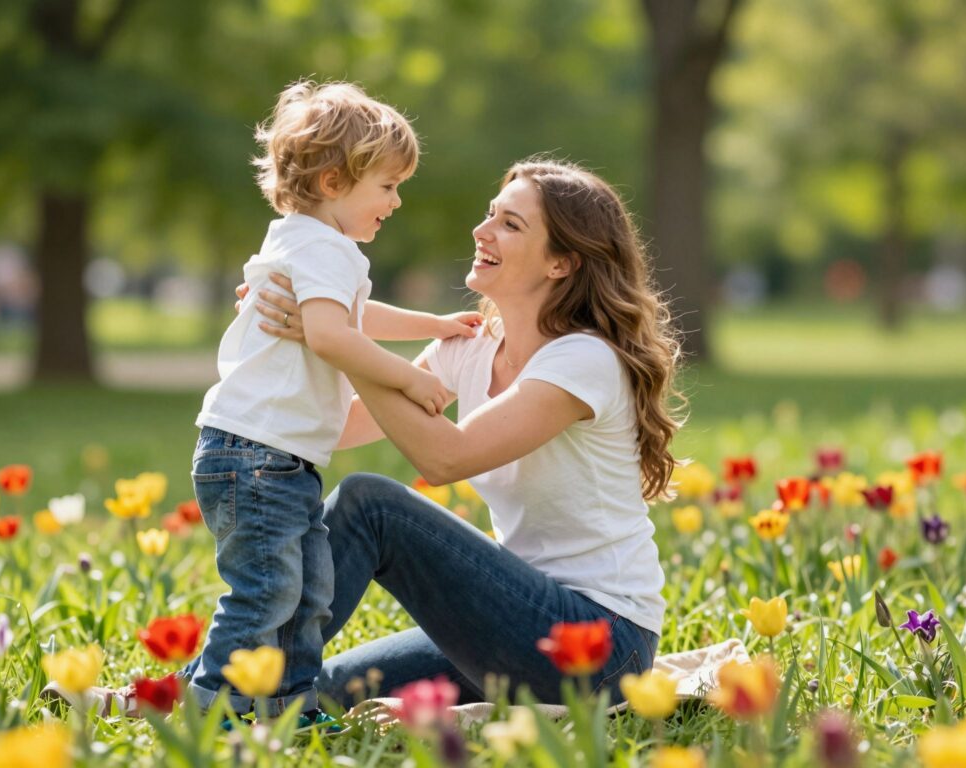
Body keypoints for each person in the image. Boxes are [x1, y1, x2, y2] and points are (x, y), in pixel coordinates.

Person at [251, 157, 682, 706]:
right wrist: (292, 332)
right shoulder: (471, 347)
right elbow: (339, 427)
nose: (482, 231)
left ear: (561, 263)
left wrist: (336, 340)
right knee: (326, 690)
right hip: (513, 621)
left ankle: (214, 692)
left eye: (511, 224)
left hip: (600, 646)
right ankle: (191, 693)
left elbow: (446, 459)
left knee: (372, 505)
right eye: (490, 214)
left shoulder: (584, 360)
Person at [185, 80, 481, 726]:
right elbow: (329, 334)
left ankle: (287, 706)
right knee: (266, 593)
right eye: (387, 185)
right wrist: (411, 380)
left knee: (308, 591)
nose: (397, 201)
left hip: (273, 458)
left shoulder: (314, 247)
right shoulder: (321, 246)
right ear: (332, 182)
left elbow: (351, 315)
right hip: (255, 455)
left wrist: (432, 325)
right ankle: (212, 711)